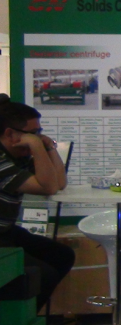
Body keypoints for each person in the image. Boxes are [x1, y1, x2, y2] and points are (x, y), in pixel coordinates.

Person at [0, 97, 72, 313]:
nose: (38, 137)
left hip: (6, 231)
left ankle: (25, 318)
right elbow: (47, 187)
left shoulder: (17, 156)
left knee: (62, 256)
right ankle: (16, 321)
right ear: (10, 134)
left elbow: (58, 182)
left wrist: (48, 147)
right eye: (32, 133)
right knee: (43, 274)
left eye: (39, 132)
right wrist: (36, 146)